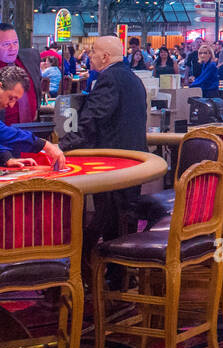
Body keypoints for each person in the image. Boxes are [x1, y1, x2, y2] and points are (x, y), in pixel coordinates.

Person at [59, 36, 159, 240]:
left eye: (93, 51)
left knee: (110, 221)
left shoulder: (109, 79)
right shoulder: (132, 78)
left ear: (105, 57)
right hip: (133, 160)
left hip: (114, 163)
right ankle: (119, 267)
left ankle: (98, 264)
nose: (89, 55)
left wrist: (60, 146)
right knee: (123, 222)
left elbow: (92, 120)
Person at [0, 24, 43, 125]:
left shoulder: (31, 57)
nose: (12, 48)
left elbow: (38, 85)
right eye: (6, 44)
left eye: (15, 43)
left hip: (33, 129)